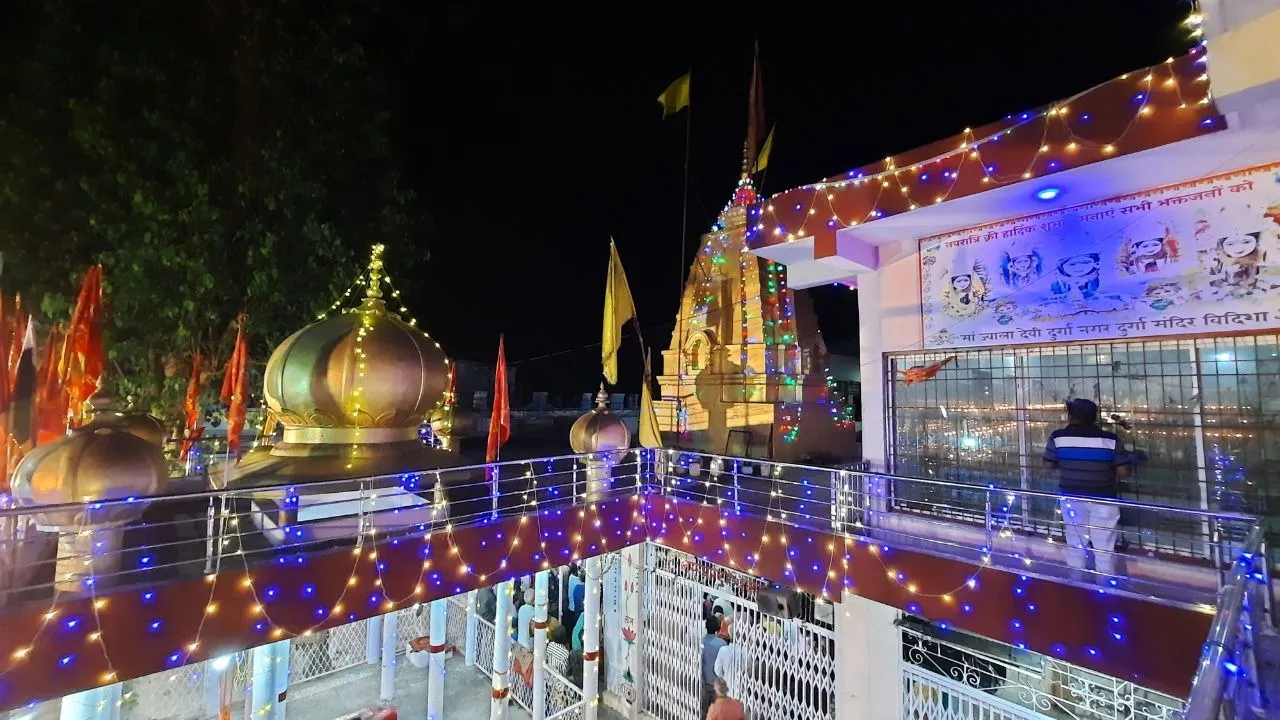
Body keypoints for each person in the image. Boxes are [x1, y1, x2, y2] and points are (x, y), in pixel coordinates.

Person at [1044, 398, 1131, 581]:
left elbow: (1048, 465)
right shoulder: (1110, 440)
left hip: (1071, 497)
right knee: (1104, 547)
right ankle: (1105, 590)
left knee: (1075, 544)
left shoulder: (1058, 437)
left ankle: (1076, 586)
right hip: (1103, 500)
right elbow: (1123, 471)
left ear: (1071, 416)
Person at [700, 614, 727, 719]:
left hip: (704, 682)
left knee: (703, 711)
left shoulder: (701, 642)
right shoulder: (722, 644)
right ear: (718, 627)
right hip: (718, 684)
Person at [714, 623, 745, 699]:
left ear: (729, 635)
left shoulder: (723, 650)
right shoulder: (746, 651)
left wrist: (725, 676)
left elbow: (718, 671)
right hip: (742, 690)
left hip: (727, 688)